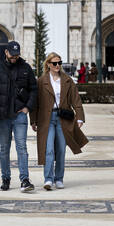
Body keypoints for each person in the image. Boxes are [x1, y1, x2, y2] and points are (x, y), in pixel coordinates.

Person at [0, 41, 38, 193]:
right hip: (3, 116)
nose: (15, 57)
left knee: (22, 148)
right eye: (12, 54)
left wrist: (28, 107)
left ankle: (25, 180)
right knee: (4, 149)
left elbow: (34, 89)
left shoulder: (26, 68)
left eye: (17, 54)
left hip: (20, 114)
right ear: (6, 52)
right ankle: (5, 178)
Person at [31, 52, 88, 190]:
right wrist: (33, 120)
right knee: (48, 149)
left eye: (59, 63)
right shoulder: (41, 81)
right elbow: (35, 103)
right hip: (46, 119)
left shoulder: (67, 80)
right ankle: (48, 179)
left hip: (63, 119)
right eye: (55, 63)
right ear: (48, 64)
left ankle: (59, 178)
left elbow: (76, 100)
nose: (58, 66)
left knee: (61, 149)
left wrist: (80, 117)